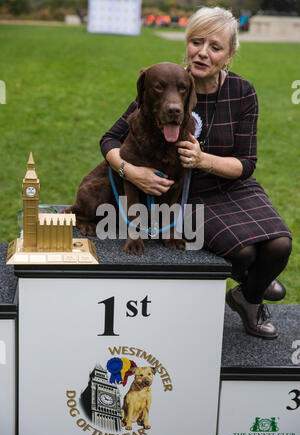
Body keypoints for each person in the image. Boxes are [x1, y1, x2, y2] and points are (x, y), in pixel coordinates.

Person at [100, 6, 292, 340]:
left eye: (215, 47)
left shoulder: (243, 93)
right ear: (187, 44)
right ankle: (256, 285)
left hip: (234, 184)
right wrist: (131, 171)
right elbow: (110, 140)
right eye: (196, 42)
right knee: (244, 252)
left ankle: (246, 296)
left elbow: (246, 163)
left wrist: (205, 160)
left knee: (279, 245)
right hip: (189, 194)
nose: (203, 52)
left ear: (229, 55)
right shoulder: (166, 82)